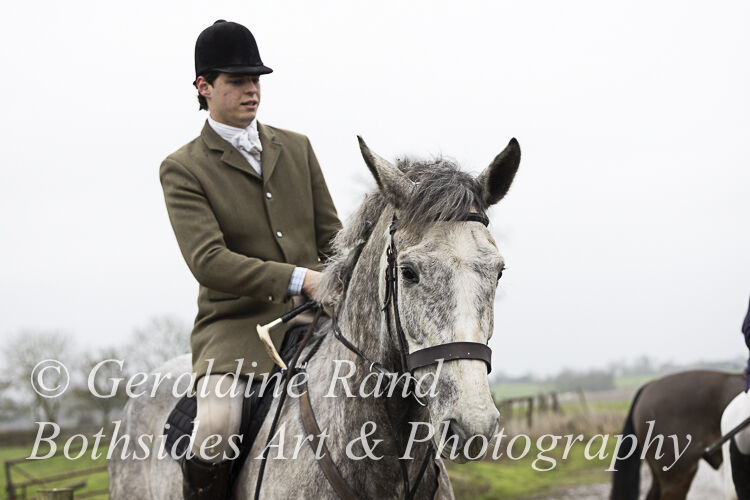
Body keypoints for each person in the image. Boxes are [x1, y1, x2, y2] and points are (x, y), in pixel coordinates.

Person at [159, 20, 342, 499]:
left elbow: (333, 239)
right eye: (238, 81)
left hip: (319, 315)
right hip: (236, 330)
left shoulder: (297, 148)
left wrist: (346, 278)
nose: (251, 90)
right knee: (216, 427)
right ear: (204, 86)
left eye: (256, 80)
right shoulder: (183, 168)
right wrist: (301, 279)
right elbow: (209, 261)